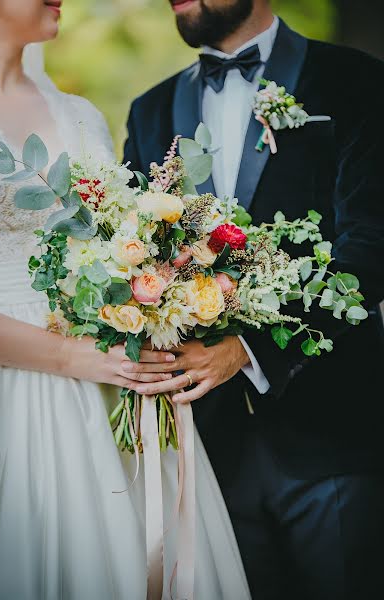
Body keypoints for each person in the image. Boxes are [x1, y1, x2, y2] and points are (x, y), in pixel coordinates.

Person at [0, 1, 252, 599]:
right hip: (7, 388)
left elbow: (117, 238)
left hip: (120, 384)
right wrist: (71, 358)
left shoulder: (79, 115)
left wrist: (166, 289)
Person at [123, 1, 384, 599]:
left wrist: (246, 348)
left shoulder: (356, 81)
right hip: (206, 457)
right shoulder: (151, 111)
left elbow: (371, 246)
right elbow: (134, 253)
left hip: (333, 436)